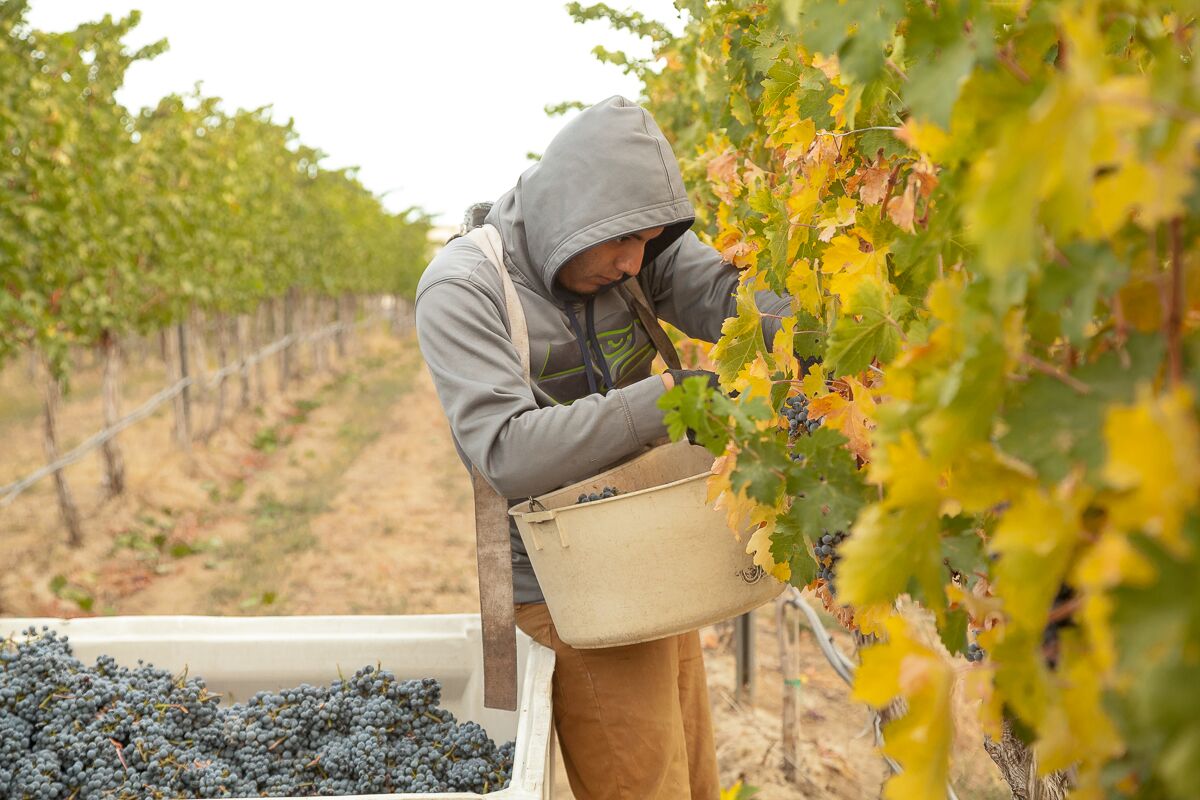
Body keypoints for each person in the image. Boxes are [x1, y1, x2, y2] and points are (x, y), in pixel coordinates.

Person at [415, 96, 791, 800]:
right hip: (568, 591)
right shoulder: (464, 290)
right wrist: (668, 398)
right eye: (622, 242)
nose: (633, 262)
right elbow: (506, 451)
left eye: (648, 242)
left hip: (654, 551)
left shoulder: (632, 251)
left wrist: (838, 326)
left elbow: (734, 302)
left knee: (693, 780)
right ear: (568, 213)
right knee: (645, 787)